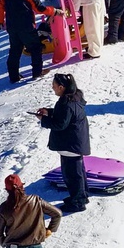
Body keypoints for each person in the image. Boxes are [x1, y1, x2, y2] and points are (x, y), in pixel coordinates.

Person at [37, 74, 90, 213]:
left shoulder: (66, 103)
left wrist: (43, 119)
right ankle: (81, 197)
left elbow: (60, 124)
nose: (52, 88)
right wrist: (49, 112)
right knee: (78, 172)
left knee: (72, 175)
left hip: (70, 144)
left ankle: (77, 203)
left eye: (54, 86)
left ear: (61, 87)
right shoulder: (75, 97)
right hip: (76, 142)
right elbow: (65, 115)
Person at [0, 0, 48, 83]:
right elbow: (39, 9)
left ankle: (13, 76)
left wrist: (0, 21)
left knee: (15, 50)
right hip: (27, 26)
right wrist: (54, 11)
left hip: (12, 27)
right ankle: (37, 73)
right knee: (35, 48)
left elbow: (0, 6)